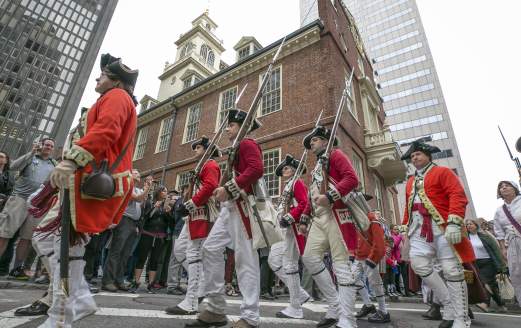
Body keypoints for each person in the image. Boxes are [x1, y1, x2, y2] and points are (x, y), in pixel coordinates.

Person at [31, 53, 138, 328]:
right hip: (86, 178)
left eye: (102, 74)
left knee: (64, 244)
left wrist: (70, 159)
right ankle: (79, 298)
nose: (97, 77)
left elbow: (106, 130)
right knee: (50, 241)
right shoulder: (112, 97)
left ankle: (60, 316)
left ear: (114, 80)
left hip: (93, 178)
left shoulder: (116, 97)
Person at [185, 109, 263, 328]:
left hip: (242, 205)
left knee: (245, 259)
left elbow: (257, 169)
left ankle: (250, 316)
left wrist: (229, 188)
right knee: (210, 248)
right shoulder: (236, 148)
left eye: (231, 125)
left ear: (242, 127)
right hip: (230, 206)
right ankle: (216, 308)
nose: (227, 128)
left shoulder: (247, 143)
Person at [401, 139, 475, 328]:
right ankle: (448, 305)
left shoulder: (442, 172)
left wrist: (453, 222)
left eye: (417, 154)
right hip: (418, 229)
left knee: (451, 270)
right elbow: (408, 208)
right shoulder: (410, 181)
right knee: (419, 265)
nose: (414, 157)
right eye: (412, 156)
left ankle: (461, 318)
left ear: (428, 155)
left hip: (442, 227)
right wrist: (404, 228)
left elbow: (457, 195)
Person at [300, 126, 360, 328]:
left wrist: (331, 196)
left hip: (336, 213)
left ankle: (348, 319)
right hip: (319, 218)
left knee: (341, 266)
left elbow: (352, 179)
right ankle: (334, 306)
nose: (312, 145)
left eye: (315, 140)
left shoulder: (336, 155)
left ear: (326, 141)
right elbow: (313, 193)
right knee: (309, 258)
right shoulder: (319, 165)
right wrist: (304, 217)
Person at [165, 136, 221, 315]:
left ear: (207, 149)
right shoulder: (201, 167)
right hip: (193, 214)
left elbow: (211, 186)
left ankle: (191, 301)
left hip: (202, 213)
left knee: (193, 252)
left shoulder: (210, 164)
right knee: (180, 250)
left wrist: (189, 204)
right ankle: (202, 284)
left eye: (198, 147)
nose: (195, 150)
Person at [0, 139, 56, 279]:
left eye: (51, 146)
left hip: (36, 205)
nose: (48, 147)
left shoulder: (54, 165)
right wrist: (31, 152)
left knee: (26, 238)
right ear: (41, 146)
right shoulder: (31, 157)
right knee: (4, 234)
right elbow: (12, 166)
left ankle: (17, 269)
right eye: (46, 144)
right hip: (19, 200)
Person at [267, 154, 310, 319]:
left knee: (289, 265)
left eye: (287, 167)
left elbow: (304, 203)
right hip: (283, 229)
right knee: (274, 261)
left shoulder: (297, 182)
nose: (284, 170)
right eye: (283, 168)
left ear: (294, 169)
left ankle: (295, 306)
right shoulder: (287, 186)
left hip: (291, 228)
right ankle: (300, 294)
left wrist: (289, 216)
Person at [101, 170, 151, 292]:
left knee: (125, 254)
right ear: (129, 175)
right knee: (116, 251)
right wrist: (147, 189)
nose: (139, 174)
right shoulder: (128, 186)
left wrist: (145, 190)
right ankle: (107, 281)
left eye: (139, 173)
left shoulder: (139, 189)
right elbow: (138, 199)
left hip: (134, 222)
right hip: (124, 220)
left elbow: (142, 202)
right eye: (135, 173)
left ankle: (119, 280)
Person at [129, 185, 173, 293]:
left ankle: (151, 284)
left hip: (160, 237)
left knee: (155, 260)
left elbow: (170, 223)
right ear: (158, 192)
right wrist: (154, 208)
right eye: (164, 191)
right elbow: (145, 217)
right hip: (147, 234)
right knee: (142, 258)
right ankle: (136, 281)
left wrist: (168, 213)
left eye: (166, 191)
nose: (166, 193)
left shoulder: (166, 205)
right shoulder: (150, 202)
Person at [354, 210, 390, 323]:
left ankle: (384, 312)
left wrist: (374, 256)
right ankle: (368, 305)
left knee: (376, 283)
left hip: (370, 255)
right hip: (359, 255)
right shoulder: (355, 216)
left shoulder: (372, 218)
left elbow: (379, 239)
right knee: (352, 279)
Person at [465, 218, 507, 313]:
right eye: (467, 224)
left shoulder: (485, 237)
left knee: (485, 282)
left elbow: (496, 250)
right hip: (474, 263)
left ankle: (485, 303)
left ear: (476, 225)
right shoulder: (466, 238)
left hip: (488, 263)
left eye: (471, 223)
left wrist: (501, 265)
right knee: (490, 285)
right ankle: (501, 304)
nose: (469, 226)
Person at [493, 180, 521, 307]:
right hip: (512, 245)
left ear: (515, 188)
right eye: (501, 187)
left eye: (507, 185)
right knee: (516, 274)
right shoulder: (499, 211)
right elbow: (499, 231)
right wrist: (503, 249)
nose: (503, 188)